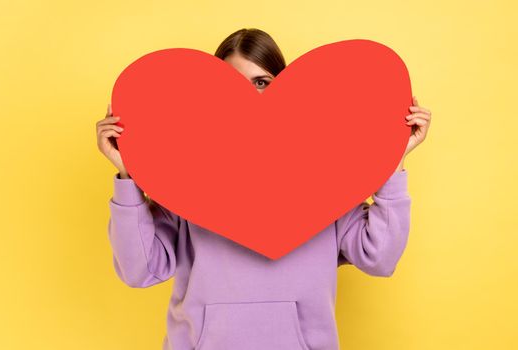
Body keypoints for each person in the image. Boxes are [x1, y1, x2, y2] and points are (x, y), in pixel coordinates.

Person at [95, 28, 431, 350]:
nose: (248, 98)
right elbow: (138, 270)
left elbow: (381, 259)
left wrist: (393, 159)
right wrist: (128, 175)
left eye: (261, 82)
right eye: (231, 85)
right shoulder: (182, 180)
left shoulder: (328, 178)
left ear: (285, 91)